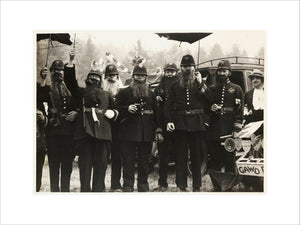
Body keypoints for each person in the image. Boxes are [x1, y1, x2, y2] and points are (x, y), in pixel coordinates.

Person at [165, 55, 213, 192]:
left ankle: (197, 186)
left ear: (194, 68)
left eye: (189, 66)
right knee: (181, 156)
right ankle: (182, 185)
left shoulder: (200, 84)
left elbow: (209, 99)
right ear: (181, 68)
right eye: (184, 66)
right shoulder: (174, 85)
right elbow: (168, 106)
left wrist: (201, 83)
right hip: (180, 124)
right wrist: (169, 121)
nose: (187, 69)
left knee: (196, 156)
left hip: (197, 125)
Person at [115, 64, 163, 192]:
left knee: (144, 161)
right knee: (128, 160)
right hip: (128, 133)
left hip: (146, 133)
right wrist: (127, 109)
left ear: (146, 77)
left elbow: (157, 113)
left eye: (142, 76)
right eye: (137, 75)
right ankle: (128, 185)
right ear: (133, 76)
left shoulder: (152, 94)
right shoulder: (124, 92)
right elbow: (115, 108)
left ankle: (143, 185)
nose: (140, 78)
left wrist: (158, 130)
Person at [74, 69, 118, 192]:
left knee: (100, 166)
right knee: (85, 166)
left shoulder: (107, 94)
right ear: (87, 80)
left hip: (102, 135)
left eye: (96, 77)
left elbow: (115, 110)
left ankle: (98, 191)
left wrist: (113, 113)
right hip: (85, 134)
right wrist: (71, 63)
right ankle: (85, 191)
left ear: (100, 81)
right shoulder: (81, 92)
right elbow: (70, 82)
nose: (93, 79)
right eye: (91, 77)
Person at [207, 59, 244, 192]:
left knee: (229, 159)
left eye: (225, 70)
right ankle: (217, 185)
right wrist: (211, 108)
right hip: (214, 130)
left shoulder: (237, 89)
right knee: (214, 158)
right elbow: (206, 108)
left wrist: (236, 129)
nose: (222, 73)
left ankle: (228, 186)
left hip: (229, 130)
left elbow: (239, 111)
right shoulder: (212, 89)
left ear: (229, 72)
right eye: (220, 70)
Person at [46, 59, 79, 192]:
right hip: (52, 133)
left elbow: (79, 105)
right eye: (54, 70)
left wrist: (76, 113)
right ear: (50, 72)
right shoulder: (46, 89)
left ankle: (65, 190)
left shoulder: (71, 90)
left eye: (60, 70)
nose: (58, 73)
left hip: (68, 133)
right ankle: (54, 190)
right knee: (53, 164)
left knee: (67, 164)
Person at [154, 62, 178, 191]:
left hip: (178, 125)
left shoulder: (180, 86)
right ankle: (162, 182)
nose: (169, 74)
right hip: (163, 125)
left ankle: (181, 183)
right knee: (163, 156)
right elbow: (157, 109)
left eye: (172, 71)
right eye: (167, 71)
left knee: (180, 154)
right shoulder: (159, 88)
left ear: (176, 72)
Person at [102, 64, 124, 191]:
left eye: (113, 75)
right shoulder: (102, 90)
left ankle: (115, 184)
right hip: (103, 127)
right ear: (105, 77)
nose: (111, 78)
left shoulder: (122, 91)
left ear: (117, 76)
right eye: (109, 75)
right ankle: (100, 183)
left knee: (116, 158)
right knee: (102, 158)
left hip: (118, 128)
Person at [242, 69, 264, 191]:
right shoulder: (248, 94)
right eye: (252, 78)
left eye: (257, 78)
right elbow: (246, 110)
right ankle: (253, 183)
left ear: (262, 80)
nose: (254, 80)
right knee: (252, 154)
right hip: (253, 127)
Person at [36, 67, 50, 191]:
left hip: (38, 138)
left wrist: (43, 118)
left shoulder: (38, 90)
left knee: (38, 167)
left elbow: (43, 96)